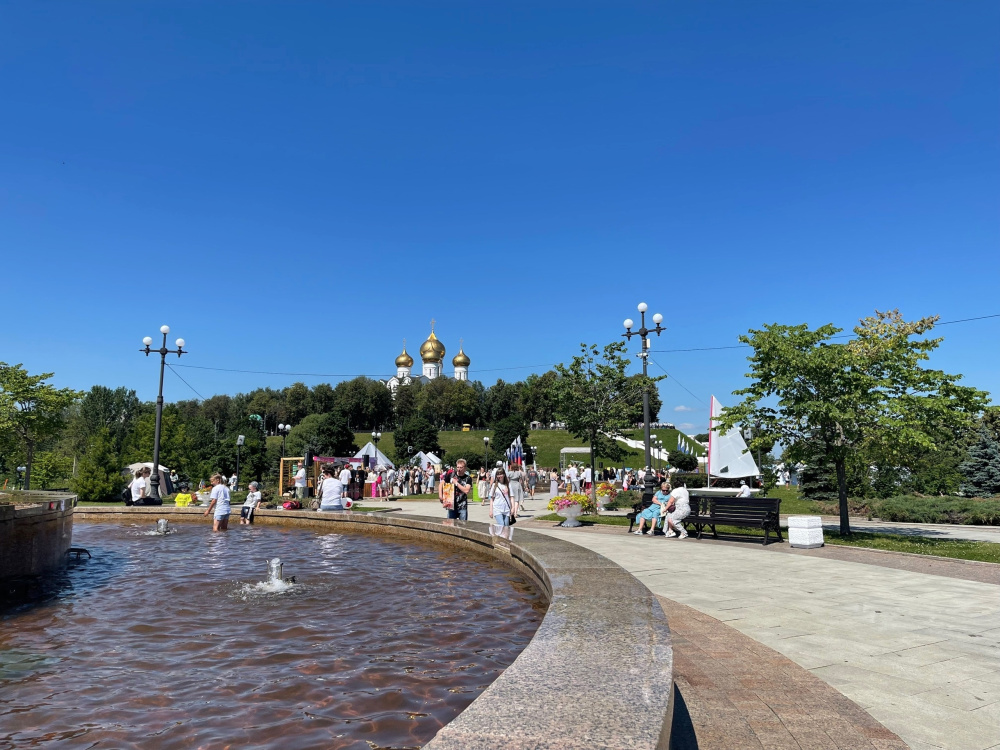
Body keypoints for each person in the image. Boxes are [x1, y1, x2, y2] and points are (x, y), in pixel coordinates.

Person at [489, 467, 517, 536]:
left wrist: (513, 508)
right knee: (501, 525)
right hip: (497, 508)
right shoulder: (494, 485)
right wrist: (491, 510)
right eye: (498, 475)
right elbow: (491, 499)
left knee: (506, 527)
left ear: (504, 474)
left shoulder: (508, 485)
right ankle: (501, 543)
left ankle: (504, 542)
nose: (499, 476)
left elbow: (511, 497)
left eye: (501, 474)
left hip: (506, 509)